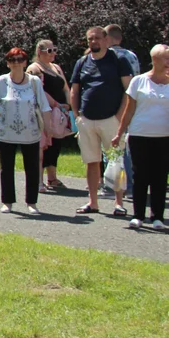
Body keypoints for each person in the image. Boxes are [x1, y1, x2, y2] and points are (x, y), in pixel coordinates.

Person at [0, 47, 52, 214]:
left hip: (30, 133)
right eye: (12, 60)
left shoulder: (34, 81)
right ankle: (7, 202)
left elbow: (44, 106)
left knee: (32, 168)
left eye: (20, 60)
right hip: (6, 133)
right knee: (6, 168)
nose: (16, 63)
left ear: (25, 62)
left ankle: (32, 203)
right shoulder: (1, 81)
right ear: (8, 63)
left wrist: (48, 130)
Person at [71, 27, 133, 215]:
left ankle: (119, 203)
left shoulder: (118, 60)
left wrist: (119, 117)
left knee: (115, 161)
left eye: (97, 38)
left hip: (111, 119)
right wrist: (77, 116)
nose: (94, 42)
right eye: (90, 39)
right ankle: (93, 202)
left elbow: (128, 91)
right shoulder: (82, 62)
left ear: (106, 39)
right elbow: (75, 89)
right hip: (87, 120)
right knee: (92, 162)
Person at [112, 45, 169, 230]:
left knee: (160, 176)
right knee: (140, 175)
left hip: (164, 136)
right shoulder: (139, 81)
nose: (168, 62)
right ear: (155, 60)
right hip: (139, 135)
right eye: (166, 58)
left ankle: (157, 217)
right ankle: (138, 215)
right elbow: (129, 111)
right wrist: (119, 133)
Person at [27, 39, 71, 190]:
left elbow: (65, 88)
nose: (53, 53)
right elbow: (39, 91)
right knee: (42, 145)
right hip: (43, 112)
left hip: (59, 113)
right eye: (49, 51)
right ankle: (38, 180)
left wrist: (69, 105)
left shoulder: (56, 68)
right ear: (39, 52)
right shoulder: (34, 68)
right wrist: (56, 104)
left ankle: (52, 177)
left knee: (56, 143)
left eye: (54, 50)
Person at [106, 24, 141, 198]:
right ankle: (131, 184)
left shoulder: (112, 56)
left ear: (110, 38)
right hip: (133, 104)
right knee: (127, 146)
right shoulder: (132, 55)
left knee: (115, 147)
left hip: (116, 106)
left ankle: (118, 186)